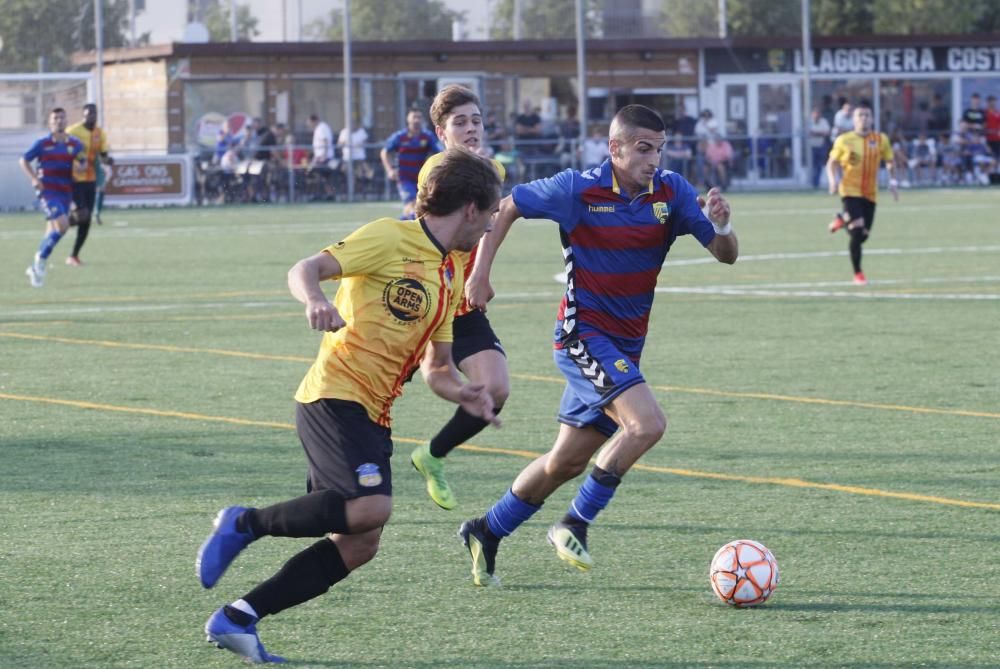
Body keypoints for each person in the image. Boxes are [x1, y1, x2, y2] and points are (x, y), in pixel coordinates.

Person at [195, 147, 503, 664]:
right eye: (492, 214)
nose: (492, 225)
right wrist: (315, 299)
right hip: (333, 395)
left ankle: (238, 618)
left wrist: (466, 391)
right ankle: (241, 523)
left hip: (374, 413)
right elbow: (306, 267)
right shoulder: (390, 235)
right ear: (471, 207)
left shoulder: (449, 275)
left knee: (360, 542)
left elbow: (438, 368)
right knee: (370, 507)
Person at [457, 104, 739, 586]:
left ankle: (486, 529)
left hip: (625, 348)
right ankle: (574, 523)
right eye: (643, 149)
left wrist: (724, 225)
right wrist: (481, 274)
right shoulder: (577, 188)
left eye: (659, 149)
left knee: (564, 461)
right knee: (647, 424)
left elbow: (725, 255)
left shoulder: (671, 192)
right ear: (615, 148)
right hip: (581, 336)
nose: (653, 159)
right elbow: (507, 207)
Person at [407, 85, 509, 511]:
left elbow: (494, 222)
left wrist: (481, 272)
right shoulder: (438, 169)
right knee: (368, 396)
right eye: (460, 122)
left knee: (496, 388)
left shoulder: (494, 171)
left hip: (459, 305)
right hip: (418, 302)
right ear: (440, 131)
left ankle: (431, 455)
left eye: (476, 120)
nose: (471, 129)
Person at [826, 104, 898, 287]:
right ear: (854, 119)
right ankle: (858, 274)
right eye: (860, 115)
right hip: (850, 190)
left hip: (870, 193)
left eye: (867, 115)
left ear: (872, 119)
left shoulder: (881, 139)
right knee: (857, 229)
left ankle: (843, 219)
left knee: (863, 236)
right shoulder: (844, 140)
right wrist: (833, 181)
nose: (864, 118)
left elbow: (889, 160)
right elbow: (832, 163)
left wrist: (893, 181)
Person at [19, 107, 85, 288]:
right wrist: (34, 178)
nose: (59, 121)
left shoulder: (75, 144)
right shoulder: (42, 143)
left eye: (62, 118)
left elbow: (82, 160)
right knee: (63, 226)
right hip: (48, 192)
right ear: (50, 122)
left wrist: (81, 166)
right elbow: (23, 160)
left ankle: (35, 266)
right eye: (55, 118)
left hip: (65, 192)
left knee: (53, 231)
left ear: (67, 121)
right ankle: (39, 260)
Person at [64, 103, 113, 266]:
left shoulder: (100, 133)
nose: (90, 117)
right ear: (83, 116)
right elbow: (62, 147)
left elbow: (103, 155)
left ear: (96, 115)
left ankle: (74, 256)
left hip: (90, 180)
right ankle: (62, 222)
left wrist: (108, 160)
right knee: (83, 213)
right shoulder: (73, 131)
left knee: (86, 220)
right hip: (74, 178)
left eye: (93, 114)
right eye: (87, 115)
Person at [380, 109, 442, 218]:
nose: (416, 120)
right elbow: (384, 152)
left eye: (419, 117)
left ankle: (402, 225)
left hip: (422, 179)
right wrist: (389, 170)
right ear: (408, 119)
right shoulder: (400, 136)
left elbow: (440, 153)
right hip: (404, 179)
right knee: (412, 204)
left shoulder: (427, 136)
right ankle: (403, 229)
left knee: (419, 209)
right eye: (414, 117)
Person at [307, 113, 336, 201]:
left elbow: (325, 141)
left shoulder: (322, 128)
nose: (309, 125)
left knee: (312, 173)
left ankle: (318, 194)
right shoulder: (319, 128)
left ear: (314, 121)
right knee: (323, 177)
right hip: (319, 157)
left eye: (310, 123)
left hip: (323, 158)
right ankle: (328, 194)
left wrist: (323, 155)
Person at [808, 106, 831, 188]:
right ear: (812, 115)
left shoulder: (824, 121)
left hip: (821, 146)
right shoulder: (809, 122)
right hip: (811, 147)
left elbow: (827, 133)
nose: (816, 116)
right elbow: (809, 133)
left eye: (818, 114)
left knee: (819, 165)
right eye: (815, 114)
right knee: (812, 165)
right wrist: (820, 133)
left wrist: (816, 133)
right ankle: (812, 182)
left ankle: (816, 183)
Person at [984, 95, 1000, 162]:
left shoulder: (998, 113)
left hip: (997, 139)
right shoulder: (984, 113)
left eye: (993, 101)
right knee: (988, 157)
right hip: (988, 139)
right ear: (987, 102)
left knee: (997, 156)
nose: (992, 103)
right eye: (990, 101)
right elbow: (983, 125)